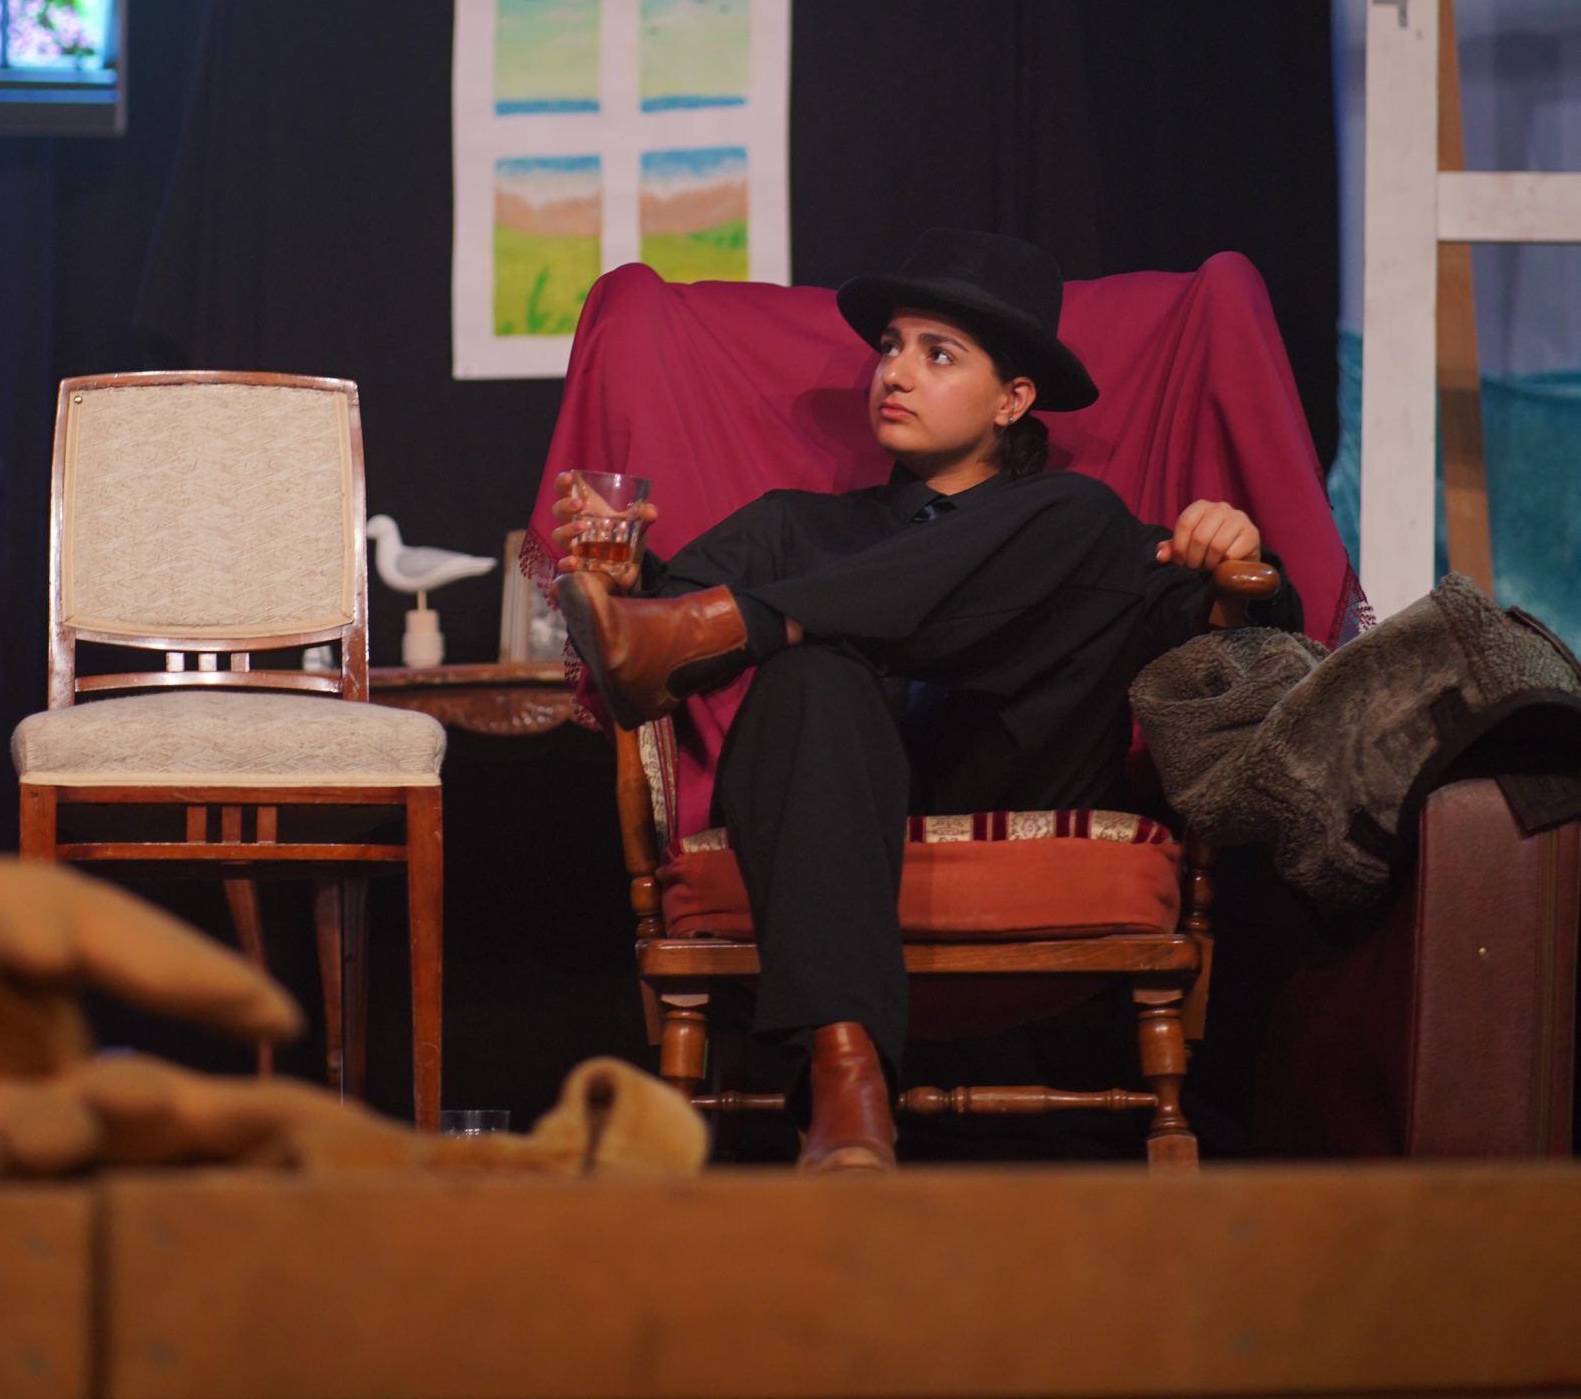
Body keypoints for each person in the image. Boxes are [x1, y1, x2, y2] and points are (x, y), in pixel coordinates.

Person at [554, 229, 1304, 1173]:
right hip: (824, 801)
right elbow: (646, 641)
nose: (895, 373)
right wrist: (624, 574)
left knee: (1080, 512)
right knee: (808, 673)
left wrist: (1238, 552)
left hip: (1015, 776)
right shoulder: (795, 524)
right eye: (889, 348)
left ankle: (751, 621)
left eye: (937, 354)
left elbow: (1252, 634)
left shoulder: (1079, 527)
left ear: (1012, 400)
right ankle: (846, 1083)